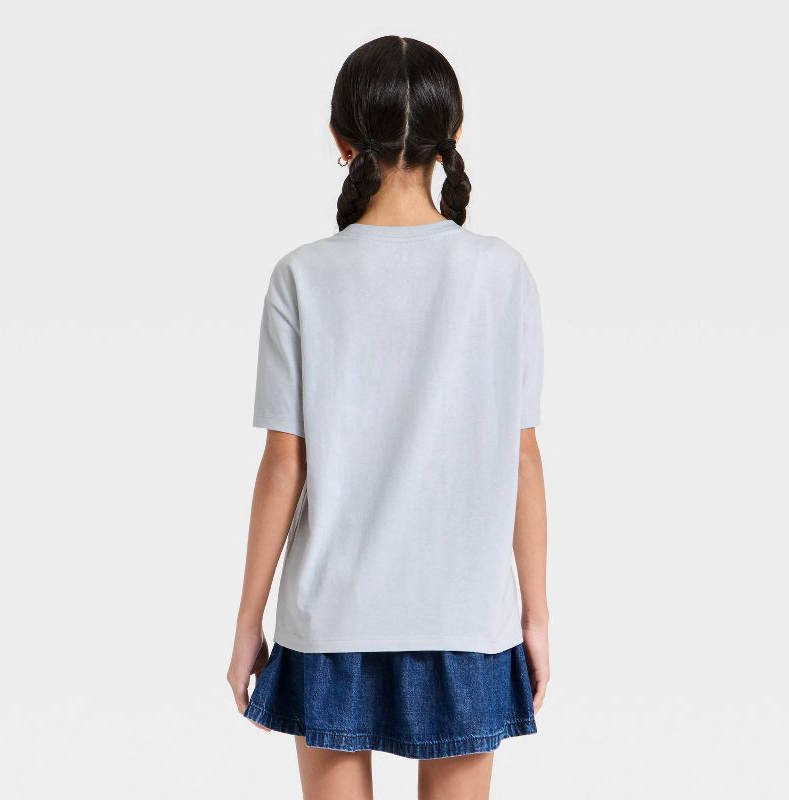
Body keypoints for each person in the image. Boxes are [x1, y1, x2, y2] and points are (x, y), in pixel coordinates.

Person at [227, 35, 549, 800]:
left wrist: (246, 623)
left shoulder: (302, 276)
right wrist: (536, 617)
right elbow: (523, 458)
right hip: (466, 620)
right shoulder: (502, 273)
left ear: (341, 140)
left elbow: (284, 465)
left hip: (331, 621)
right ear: (453, 134)